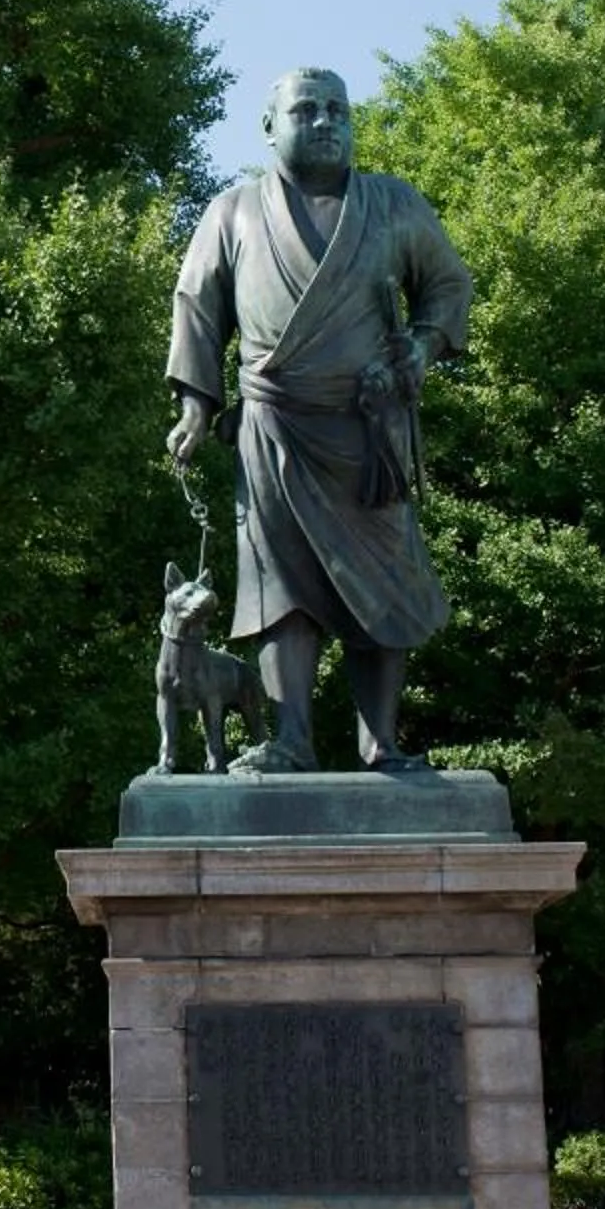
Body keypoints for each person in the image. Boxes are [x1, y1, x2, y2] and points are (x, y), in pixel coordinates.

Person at [166, 67, 473, 772]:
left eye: (338, 109)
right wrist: (196, 405)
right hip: (273, 425)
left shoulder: (393, 204)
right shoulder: (233, 211)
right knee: (281, 586)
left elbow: (448, 283)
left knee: (387, 583)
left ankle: (382, 744)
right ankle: (290, 739)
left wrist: (422, 345)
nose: (326, 121)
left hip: (370, 430)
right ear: (270, 126)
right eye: (306, 110)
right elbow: (198, 307)